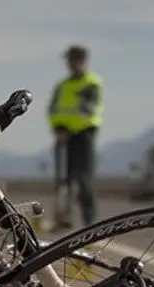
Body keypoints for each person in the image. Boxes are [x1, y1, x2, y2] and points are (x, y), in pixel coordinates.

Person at [47, 45, 103, 230]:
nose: (70, 63)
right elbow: (53, 109)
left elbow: (89, 109)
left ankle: (89, 221)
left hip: (83, 135)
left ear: (82, 60)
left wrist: (70, 129)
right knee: (64, 179)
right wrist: (59, 128)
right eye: (69, 60)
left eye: (74, 59)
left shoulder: (92, 83)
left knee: (84, 179)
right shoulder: (62, 85)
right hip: (63, 136)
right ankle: (64, 218)